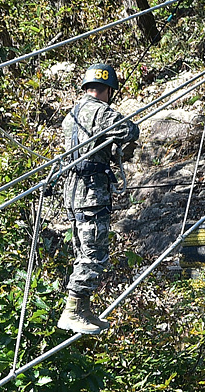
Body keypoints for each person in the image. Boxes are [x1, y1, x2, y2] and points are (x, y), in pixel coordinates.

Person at [59, 63, 140, 336]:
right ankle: (72, 310)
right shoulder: (101, 112)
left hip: (72, 192)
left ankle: (83, 309)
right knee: (94, 255)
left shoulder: (71, 115)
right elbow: (130, 130)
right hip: (92, 192)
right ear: (108, 90)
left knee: (83, 252)